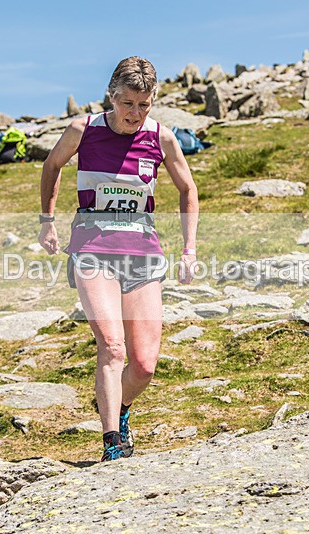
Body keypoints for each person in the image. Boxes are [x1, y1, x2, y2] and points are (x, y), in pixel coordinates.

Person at [38, 57, 199, 462]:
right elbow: (52, 165)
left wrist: (189, 249)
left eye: (144, 105)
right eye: (128, 104)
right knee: (112, 347)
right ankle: (112, 442)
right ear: (111, 97)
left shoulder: (162, 138)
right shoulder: (83, 130)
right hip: (92, 247)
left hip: (142, 251)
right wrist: (47, 222)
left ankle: (119, 407)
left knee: (144, 365)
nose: (135, 114)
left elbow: (188, 189)